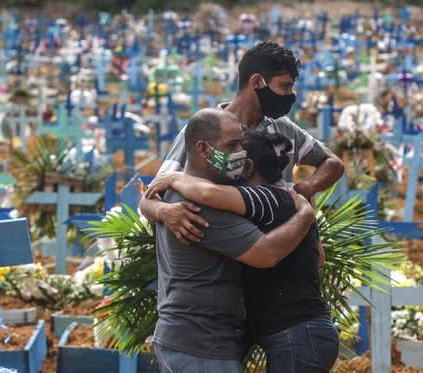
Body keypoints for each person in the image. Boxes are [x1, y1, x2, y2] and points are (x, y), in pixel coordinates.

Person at [146, 129, 339, 373]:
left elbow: (208, 197)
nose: (229, 158)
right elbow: (318, 258)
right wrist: (305, 214)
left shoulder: (264, 199)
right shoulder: (288, 199)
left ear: (248, 167)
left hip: (297, 334)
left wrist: (176, 178)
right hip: (303, 331)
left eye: (236, 150)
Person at [140, 41, 345, 245]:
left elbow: (332, 163)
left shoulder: (282, 128)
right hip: (229, 253)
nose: (290, 96)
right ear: (257, 82)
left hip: (280, 251)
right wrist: (165, 211)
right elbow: (149, 198)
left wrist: (306, 188)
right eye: (284, 86)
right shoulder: (204, 132)